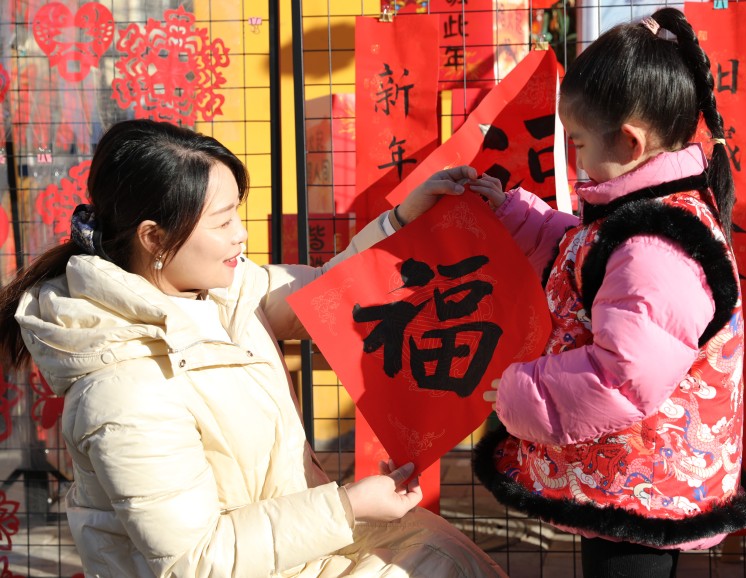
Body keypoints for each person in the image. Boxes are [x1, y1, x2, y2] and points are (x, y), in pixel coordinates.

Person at [0, 119, 505, 578]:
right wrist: (347, 506)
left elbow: (330, 296)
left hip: (296, 551)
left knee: (446, 559)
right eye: (221, 223)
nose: (241, 235)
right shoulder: (122, 389)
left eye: (235, 214)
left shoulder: (221, 292)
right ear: (154, 238)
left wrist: (402, 221)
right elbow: (192, 561)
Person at [396, 7, 746, 578]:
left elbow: (622, 378)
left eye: (575, 141)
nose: (572, 158)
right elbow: (581, 261)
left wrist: (520, 392)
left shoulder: (654, 246)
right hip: (633, 475)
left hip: (642, 488)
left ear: (627, 140)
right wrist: (513, 213)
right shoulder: (642, 218)